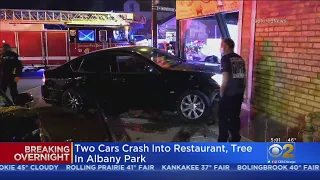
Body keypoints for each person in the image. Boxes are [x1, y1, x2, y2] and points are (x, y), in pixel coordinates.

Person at [218, 38, 246, 142]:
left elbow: (225, 78)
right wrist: (243, 91)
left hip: (228, 93)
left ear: (226, 46)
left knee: (223, 118)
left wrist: (221, 92)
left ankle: (222, 140)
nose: (221, 47)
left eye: (222, 44)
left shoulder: (225, 58)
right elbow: (244, 78)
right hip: (239, 92)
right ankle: (235, 138)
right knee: (235, 116)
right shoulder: (240, 59)